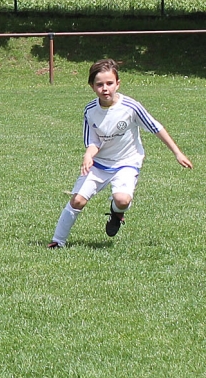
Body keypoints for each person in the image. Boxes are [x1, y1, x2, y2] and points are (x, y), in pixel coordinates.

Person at [48, 58, 192, 248]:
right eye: (99, 84)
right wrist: (88, 155)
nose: (105, 88)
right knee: (78, 200)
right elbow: (94, 142)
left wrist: (177, 153)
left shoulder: (131, 107)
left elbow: (156, 127)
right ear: (92, 87)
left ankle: (116, 213)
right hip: (99, 164)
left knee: (122, 200)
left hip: (126, 162)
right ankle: (57, 242)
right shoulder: (90, 111)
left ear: (118, 84)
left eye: (109, 83)